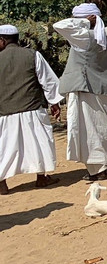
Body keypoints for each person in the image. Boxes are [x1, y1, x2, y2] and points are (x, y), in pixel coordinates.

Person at [53, 4, 107, 181]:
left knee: (90, 131)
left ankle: (98, 169)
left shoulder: (84, 37)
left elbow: (59, 25)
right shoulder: (106, 40)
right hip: (104, 88)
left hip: (86, 89)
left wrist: (82, 22)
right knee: (105, 128)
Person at [0, 24, 63, 194]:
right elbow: (48, 81)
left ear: (2, 40)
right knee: (39, 143)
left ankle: (2, 183)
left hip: (4, 112)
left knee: (4, 148)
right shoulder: (33, 55)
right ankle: (41, 177)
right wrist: (54, 103)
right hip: (32, 109)